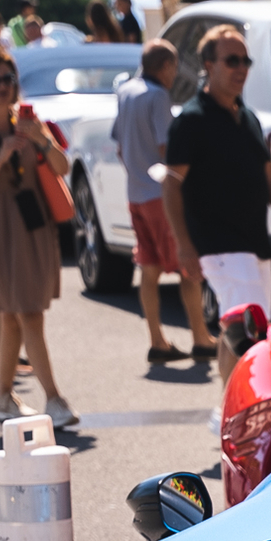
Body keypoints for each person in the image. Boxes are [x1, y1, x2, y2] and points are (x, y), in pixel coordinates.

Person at [165, 24, 271, 376]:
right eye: (232, 60)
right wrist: (184, 246)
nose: (241, 68)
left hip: (254, 242)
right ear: (208, 65)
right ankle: (235, 413)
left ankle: (227, 408)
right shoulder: (191, 120)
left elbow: (269, 178)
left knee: (246, 331)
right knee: (248, 330)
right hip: (218, 245)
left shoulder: (248, 117)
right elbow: (171, 185)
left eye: (246, 60)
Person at [0, 43, 77, 426]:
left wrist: (41, 139)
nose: (2, 86)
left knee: (13, 317)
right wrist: (1, 155)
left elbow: (62, 166)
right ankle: (54, 399)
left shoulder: (28, 120)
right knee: (28, 314)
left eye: (8, 79)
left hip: (33, 226)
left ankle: (4, 398)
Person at [117, 40, 207, 363]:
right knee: (187, 267)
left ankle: (157, 340)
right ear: (166, 67)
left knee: (149, 268)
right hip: (159, 194)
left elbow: (119, 145)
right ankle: (201, 336)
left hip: (135, 193)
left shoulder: (126, 92)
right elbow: (166, 149)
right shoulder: (157, 96)